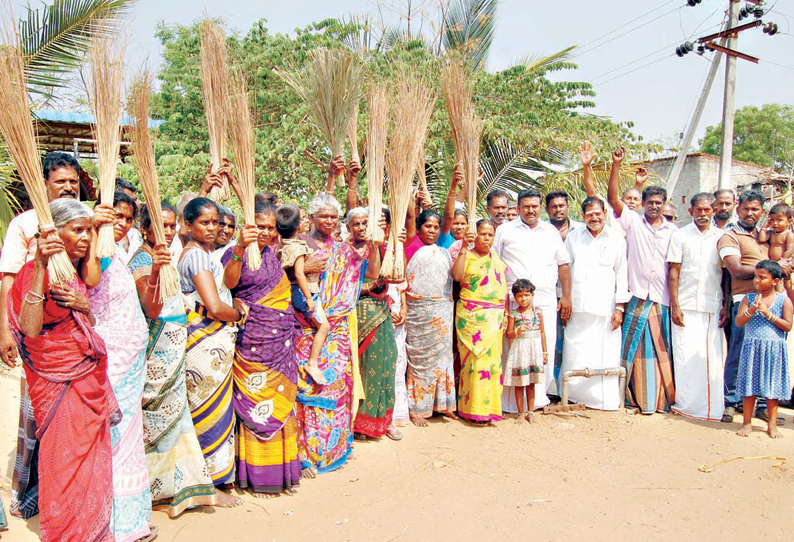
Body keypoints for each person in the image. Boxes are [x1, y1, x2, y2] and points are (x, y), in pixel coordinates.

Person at [8, 199, 117, 542]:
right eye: (78, 230)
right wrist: (40, 265)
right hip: (55, 380)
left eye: (89, 230)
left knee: (90, 461)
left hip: (87, 380)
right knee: (64, 466)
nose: (86, 238)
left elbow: (85, 322)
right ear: (56, 233)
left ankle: (94, 534)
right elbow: (29, 328)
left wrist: (87, 308)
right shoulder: (32, 272)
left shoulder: (74, 273)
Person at [0, 151, 99, 519]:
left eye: (74, 182)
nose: (69, 187)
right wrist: (4, 333)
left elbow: (89, 276)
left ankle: (66, 494)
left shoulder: (83, 221)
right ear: (43, 184)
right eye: (61, 181)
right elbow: (9, 277)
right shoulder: (25, 224)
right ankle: (28, 493)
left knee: (70, 424)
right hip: (35, 333)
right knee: (35, 416)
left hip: (71, 331)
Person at [129, 202, 219, 516]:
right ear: (144, 229)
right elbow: (151, 309)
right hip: (156, 355)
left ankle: (174, 487)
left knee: (175, 421)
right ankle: (152, 489)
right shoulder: (142, 260)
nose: (167, 232)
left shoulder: (166, 255)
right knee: (155, 420)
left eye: (170, 226)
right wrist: (154, 269)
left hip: (174, 352)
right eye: (160, 226)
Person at [295, 193, 383, 473]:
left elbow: (371, 273)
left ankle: (334, 449)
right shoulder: (299, 245)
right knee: (307, 388)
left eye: (334, 216)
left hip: (338, 330)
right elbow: (284, 277)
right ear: (311, 218)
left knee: (335, 388)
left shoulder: (343, 249)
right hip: (306, 328)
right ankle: (305, 455)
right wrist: (304, 267)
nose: (330, 221)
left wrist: (376, 242)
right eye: (324, 216)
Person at [221, 200, 303, 495]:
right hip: (253, 346)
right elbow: (229, 284)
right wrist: (241, 248)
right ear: (249, 226)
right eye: (261, 227)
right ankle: (257, 475)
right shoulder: (234, 253)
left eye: (271, 228)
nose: (267, 233)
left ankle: (282, 471)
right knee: (255, 406)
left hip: (279, 346)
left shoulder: (271, 256)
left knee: (281, 402)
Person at [88, 191, 153, 542]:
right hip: (110, 361)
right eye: (116, 217)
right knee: (112, 439)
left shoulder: (125, 250)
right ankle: (112, 523)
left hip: (130, 361)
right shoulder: (93, 252)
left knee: (129, 438)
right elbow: (93, 285)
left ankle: (132, 519)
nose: (122, 225)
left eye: (127, 219)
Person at [178, 197, 247, 499]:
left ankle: (217, 477)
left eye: (215, 222)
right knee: (205, 410)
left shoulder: (205, 255)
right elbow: (215, 306)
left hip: (212, 342)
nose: (211, 228)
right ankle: (208, 482)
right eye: (204, 222)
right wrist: (238, 314)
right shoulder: (194, 257)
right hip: (203, 343)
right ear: (188, 224)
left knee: (215, 409)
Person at [607, 147, 677, 414]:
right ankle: (631, 398)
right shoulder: (633, 223)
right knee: (631, 351)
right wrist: (617, 165)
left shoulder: (673, 231)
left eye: (659, 203)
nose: (654, 206)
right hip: (636, 296)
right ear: (644, 203)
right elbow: (613, 198)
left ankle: (660, 400)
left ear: (664, 204)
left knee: (661, 353)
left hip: (661, 299)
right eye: (650, 202)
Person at [493, 188, 572, 411]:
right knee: (511, 348)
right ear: (518, 208)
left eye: (534, 206)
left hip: (544, 298)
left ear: (540, 207)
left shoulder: (550, 232)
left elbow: (563, 265)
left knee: (542, 345)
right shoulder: (505, 231)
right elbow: (494, 264)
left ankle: (538, 400)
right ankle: (509, 402)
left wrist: (566, 296)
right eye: (526, 206)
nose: (530, 210)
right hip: (512, 298)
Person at [718, 190, 789, 424]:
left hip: (774, 302)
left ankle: (761, 405)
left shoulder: (767, 236)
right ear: (738, 209)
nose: (750, 213)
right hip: (745, 300)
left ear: (762, 211)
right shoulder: (730, 236)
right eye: (746, 208)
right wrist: (775, 266)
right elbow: (736, 270)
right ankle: (730, 402)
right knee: (739, 354)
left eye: (755, 209)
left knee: (768, 354)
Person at [561, 197, 629, 410]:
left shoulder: (616, 239)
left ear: (604, 214)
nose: (594, 217)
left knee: (605, 353)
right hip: (578, 306)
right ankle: (572, 397)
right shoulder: (573, 238)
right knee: (576, 351)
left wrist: (619, 307)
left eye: (598, 213)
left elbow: (622, 274)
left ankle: (602, 400)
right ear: (583, 216)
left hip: (606, 308)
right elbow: (564, 269)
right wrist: (565, 298)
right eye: (589, 214)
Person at [667, 193, 725, 421]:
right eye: (698, 210)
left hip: (711, 305)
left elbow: (726, 276)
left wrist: (725, 307)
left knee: (710, 358)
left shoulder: (722, 237)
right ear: (690, 211)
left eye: (707, 210)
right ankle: (686, 405)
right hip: (685, 304)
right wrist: (675, 305)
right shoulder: (680, 236)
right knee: (684, 355)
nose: (703, 214)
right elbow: (674, 272)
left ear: (713, 211)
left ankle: (713, 410)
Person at [348, 208, 400, 440]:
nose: (361, 228)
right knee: (358, 367)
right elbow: (339, 283)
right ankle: (357, 423)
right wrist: (367, 286)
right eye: (357, 224)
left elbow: (395, 276)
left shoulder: (382, 247)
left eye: (365, 224)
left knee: (383, 366)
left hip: (378, 314)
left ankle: (382, 422)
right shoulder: (343, 249)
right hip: (351, 313)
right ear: (349, 226)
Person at [451, 219, 507, 425]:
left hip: (495, 320)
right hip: (471, 318)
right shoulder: (467, 255)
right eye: (482, 234)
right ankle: (470, 409)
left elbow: (504, 291)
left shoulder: (497, 260)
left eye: (490, 235)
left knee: (492, 366)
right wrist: (464, 247)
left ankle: (489, 410)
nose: (486, 238)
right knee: (472, 364)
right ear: (474, 235)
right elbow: (457, 276)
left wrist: (507, 315)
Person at [405, 209, 458, 426]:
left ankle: (443, 404)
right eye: (428, 226)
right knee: (419, 361)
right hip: (418, 312)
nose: (433, 230)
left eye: (436, 227)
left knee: (443, 359)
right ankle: (417, 409)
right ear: (418, 228)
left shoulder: (444, 250)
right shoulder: (411, 247)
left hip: (443, 311)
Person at [734, 260, 792, 438]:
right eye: (755, 277)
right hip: (752, 348)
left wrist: (768, 314)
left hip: (773, 350)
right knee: (749, 386)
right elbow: (739, 321)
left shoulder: (783, 300)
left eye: (762, 277)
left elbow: (788, 325)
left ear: (775, 281)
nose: (757, 281)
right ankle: (747, 423)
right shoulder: (749, 298)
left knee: (771, 388)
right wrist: (752, 309)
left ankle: (772, 425)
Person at [275, 204, 329, 385]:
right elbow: (299, 273)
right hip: (302, 292)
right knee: (324, 326)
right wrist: (308, 298)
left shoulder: (283, 245)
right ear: (298, 226)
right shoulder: (297, 248)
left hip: (292, 292)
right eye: (304, 219)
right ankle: (312, 363)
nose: (307, 221)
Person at [545, 190, 583, 386]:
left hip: (575, 295)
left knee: (573, 341)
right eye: (554, 207)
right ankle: (553, 387)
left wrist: (568, 296)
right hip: (550, 295)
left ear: (568, 207)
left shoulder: (582, 231)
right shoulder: (543, 231)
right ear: (547, 210)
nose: (558, 210)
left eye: (561, 206)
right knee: (552, 341)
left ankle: (571, 387)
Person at [504, 279, 547, 423]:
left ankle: (531, 411)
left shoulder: (538, 313)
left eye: (527, 295)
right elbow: (508, 334)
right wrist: (517, 331)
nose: (524, 298)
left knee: (531, 383)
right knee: (519, 383)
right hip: (520, 351)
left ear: (533, 295)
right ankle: (520, 413)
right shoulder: (513, 315)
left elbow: (542, 333)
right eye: (520, 296)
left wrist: (545, 353)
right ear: (515, 298)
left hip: (534, 351)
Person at [114, 177, 143, 264]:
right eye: (133, 200)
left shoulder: (135, 234)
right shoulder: (98, 239)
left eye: (128, 219)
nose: (139, 203)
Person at [436, 166, 465, 249]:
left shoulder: (470, 243)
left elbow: (458, 203)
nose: (459, 227)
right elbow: (448, 216)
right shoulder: (444, 238)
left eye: (463, 224)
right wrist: (454, 185)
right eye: (456, 223)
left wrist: (471, 183)